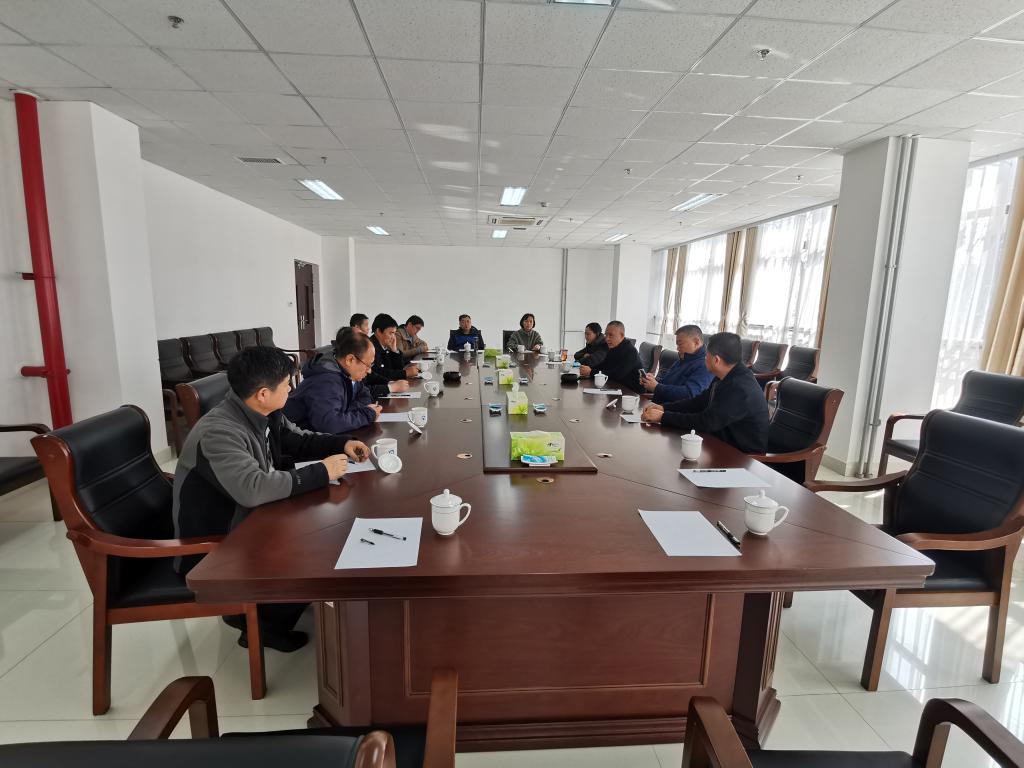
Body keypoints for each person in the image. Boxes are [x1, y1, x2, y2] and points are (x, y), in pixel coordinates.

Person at [172, 346, 370, 651]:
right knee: (317, 543)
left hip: (250, 519)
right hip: (216, 544)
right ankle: (260, 626)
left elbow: (298, 439)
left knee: (324, 523)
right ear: (263, 393)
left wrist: (342, 443)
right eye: (287, 384)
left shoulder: (263, 412)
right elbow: (253, 488)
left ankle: (279, 603)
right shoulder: (218, 432)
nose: (292, 389)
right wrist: (321, 471)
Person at [641, 332, 769, 453]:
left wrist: (663, 417)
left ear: (716, 360)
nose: (704, 358)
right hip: (719, 443)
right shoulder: (725, 375)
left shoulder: (739, 387)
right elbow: (699, 402)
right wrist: (664, 408)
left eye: (706, 355)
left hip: (741, 457)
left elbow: (707, 422)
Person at [283, 327, 382, 433]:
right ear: (350, 360)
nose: (369, 371)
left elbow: (365, 395)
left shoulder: (346, 372)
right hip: (294, 437)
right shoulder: (326, 381)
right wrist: (367, 414)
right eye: (368, 365)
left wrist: (346, 414)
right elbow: (329, 425)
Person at [642, 325, 714, 405]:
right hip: (657, 406)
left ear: (696, 342)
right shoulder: (682, 360)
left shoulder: (705, 365)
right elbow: (666, 383)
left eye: (680, 344)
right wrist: (651, 382)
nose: (677, 348)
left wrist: (656, 387)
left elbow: (689, 394)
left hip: (672, 410)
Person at [579, 321, 643, 392]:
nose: (607, 339)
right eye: (606, 335)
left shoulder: (631, 352)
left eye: (611, 335)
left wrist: (591, 372)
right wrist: (589, 369)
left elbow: (617, 374)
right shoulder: (613, 348)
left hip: (631, 392)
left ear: (622, 335)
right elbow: (604, 365)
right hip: (615, 386)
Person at [367, 313, 419, 387]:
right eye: (391, 333)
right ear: (378, 331)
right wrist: (405, 373)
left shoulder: (386, 344)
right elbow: (378, 373)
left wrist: (394, 350)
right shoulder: (369, 347)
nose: (393, 337)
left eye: (394, 333)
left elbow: (398, 368)